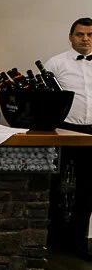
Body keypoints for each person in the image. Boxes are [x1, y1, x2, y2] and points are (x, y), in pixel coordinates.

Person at [45, 17, 92, 254]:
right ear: (70, 37)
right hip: (64, 129)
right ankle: (53, 238)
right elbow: (46, 98)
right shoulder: (56, 63)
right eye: (80, 34)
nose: (85, 39)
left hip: (91, 131)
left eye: (90, 35)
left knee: (88, 187)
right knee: (56, 182)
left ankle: (78, 240)